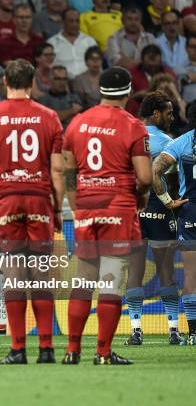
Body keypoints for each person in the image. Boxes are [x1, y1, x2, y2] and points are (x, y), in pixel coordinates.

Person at [0, 58, 64, 365]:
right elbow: (58, 170)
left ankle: (18, 348)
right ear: (32, 83)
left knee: (13, 276)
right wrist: (58, 208)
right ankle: (46, 347)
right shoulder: (50, 117)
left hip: (5, 201)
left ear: (5, 82)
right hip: (39, 200)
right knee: (41, 276)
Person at [62, 66, 152, 365]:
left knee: (84, 277)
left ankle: (72, 350)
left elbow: (69, 171)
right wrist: (139, 197)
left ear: (100, 90)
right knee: (110, 280)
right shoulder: (133, 125)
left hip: (88, 204)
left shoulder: (77, 122)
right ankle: (102, 352)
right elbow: (145, 177)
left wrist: (77, 205)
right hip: (118, 205)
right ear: (127, 92)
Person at [124, 91, 183, 346]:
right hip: (160, 208)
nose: (172, 117)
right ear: (156, 114)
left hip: (133, 209)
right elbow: (170, 182)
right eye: (169, 113)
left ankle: (136, 331)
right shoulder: (168, 142)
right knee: (166, 271)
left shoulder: (127, 135)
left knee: (134, 270)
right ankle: (173, 330)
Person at [152, 102, 196, 346]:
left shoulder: (181, 142)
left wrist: (168, 201)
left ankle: (193, 333)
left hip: (191, 212)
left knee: (192, 275)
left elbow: (156, 168)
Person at [47, 8, 97, 79]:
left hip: (88, 82)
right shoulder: (52, 43)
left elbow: (97, 63)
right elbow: (49, 66)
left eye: (77, 21)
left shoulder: (89, 41)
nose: (75, 24)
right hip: (63, 82)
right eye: (71, 21)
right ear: (63, 22)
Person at [156, 10, 188, 75]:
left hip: (186, 80)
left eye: (174, 23)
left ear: (179, 24)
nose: (172, 27)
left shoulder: (186, 43)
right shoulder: (155, 43)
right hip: (164, 80)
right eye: (168, 23)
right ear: (162, 26)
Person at [177, 35, 196, 103]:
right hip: (188, 107)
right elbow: (178, 86)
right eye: (192, 46)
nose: (195, 49)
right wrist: (189, 79)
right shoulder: (179, 68)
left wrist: (189, 79)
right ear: (186, 48)